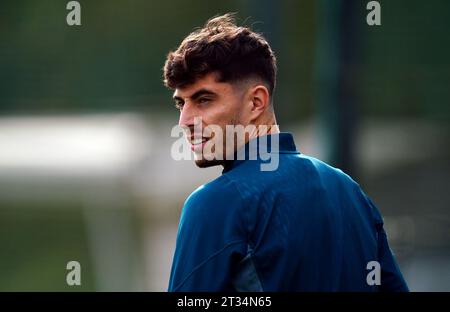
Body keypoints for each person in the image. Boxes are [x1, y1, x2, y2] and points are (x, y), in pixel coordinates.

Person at [163, 13, 408, 291]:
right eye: (180, 104)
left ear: (256, 102)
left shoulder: (216, 203)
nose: (184, 121)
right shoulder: (350, 191)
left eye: (204, 99)